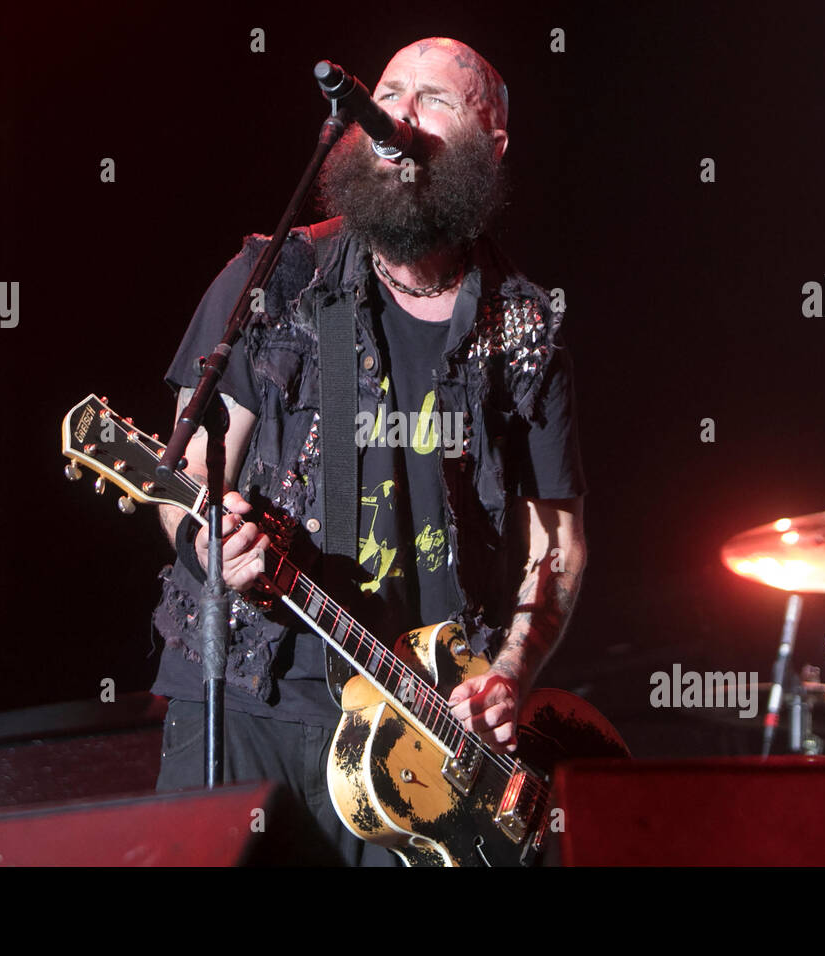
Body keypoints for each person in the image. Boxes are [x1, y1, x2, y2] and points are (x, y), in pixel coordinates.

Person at [150, 37, 587, 866]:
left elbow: (556, 541)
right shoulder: (284, 277)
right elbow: (185, 471)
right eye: (389, 92)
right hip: (257, 699)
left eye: (435, 99)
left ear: (491, 145)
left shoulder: (522, 328)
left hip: (429, 739)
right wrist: (209, 540)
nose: (399, 115)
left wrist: (511, 673)